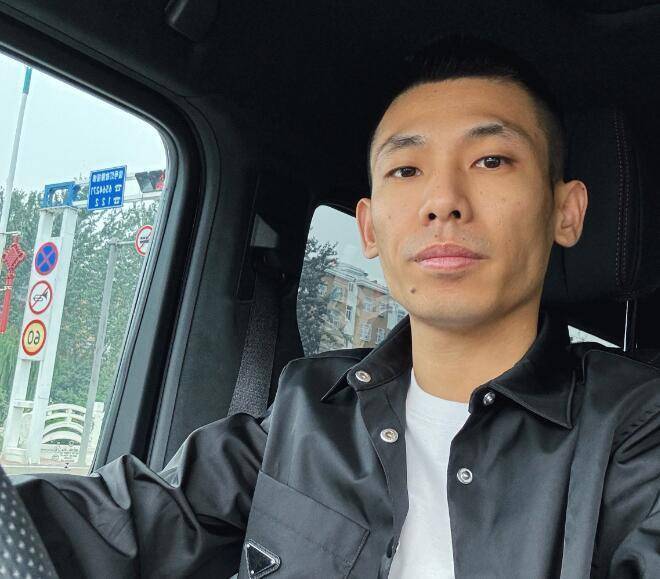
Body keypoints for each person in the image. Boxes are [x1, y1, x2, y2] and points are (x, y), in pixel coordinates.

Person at [13, 36, 660, 578]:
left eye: (491, 160)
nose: (443, 200)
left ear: (566, 211)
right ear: (371, 227)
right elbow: (119, 523)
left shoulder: (637, 434)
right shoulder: (305, 408)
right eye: (407, 169)